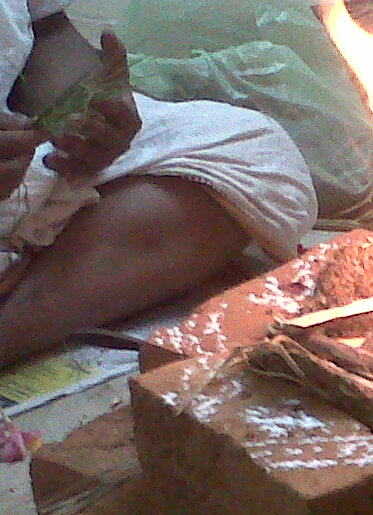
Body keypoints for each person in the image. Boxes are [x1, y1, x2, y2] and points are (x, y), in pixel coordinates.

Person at [0, 0, 318, 367]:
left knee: (257, 154)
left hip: (19, 155)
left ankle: (18, 314)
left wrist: (87, 109)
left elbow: (48, 32)